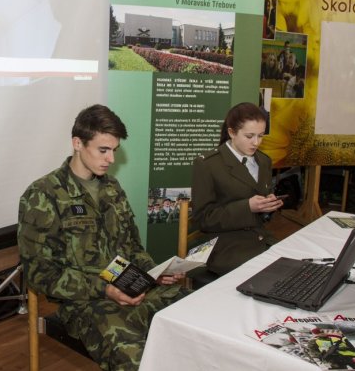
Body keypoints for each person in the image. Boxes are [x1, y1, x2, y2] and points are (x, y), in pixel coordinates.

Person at [18, 104, 190, 371]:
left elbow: (132, 246)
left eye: (114, 151)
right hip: (87, 304)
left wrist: (152, 272)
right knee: (140, 362)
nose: (110, 159)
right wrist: (105, 289)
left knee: (195, 320)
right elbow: (39, 273)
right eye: (103, 150)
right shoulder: (44, 195)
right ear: (77, 143)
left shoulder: (112, 188)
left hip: (132, 289)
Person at [191, 102, 283, 276]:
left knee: (291, 267)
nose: (256, 142)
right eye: (249, 136)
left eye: (261, 136)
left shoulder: (263, 161)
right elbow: (203, 219)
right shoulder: (208, 164)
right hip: (226, 245)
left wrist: (268, 207)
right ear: (231, 132)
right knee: (266, 276)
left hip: (260, 238)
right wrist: (247, 207)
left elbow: (262, 217)